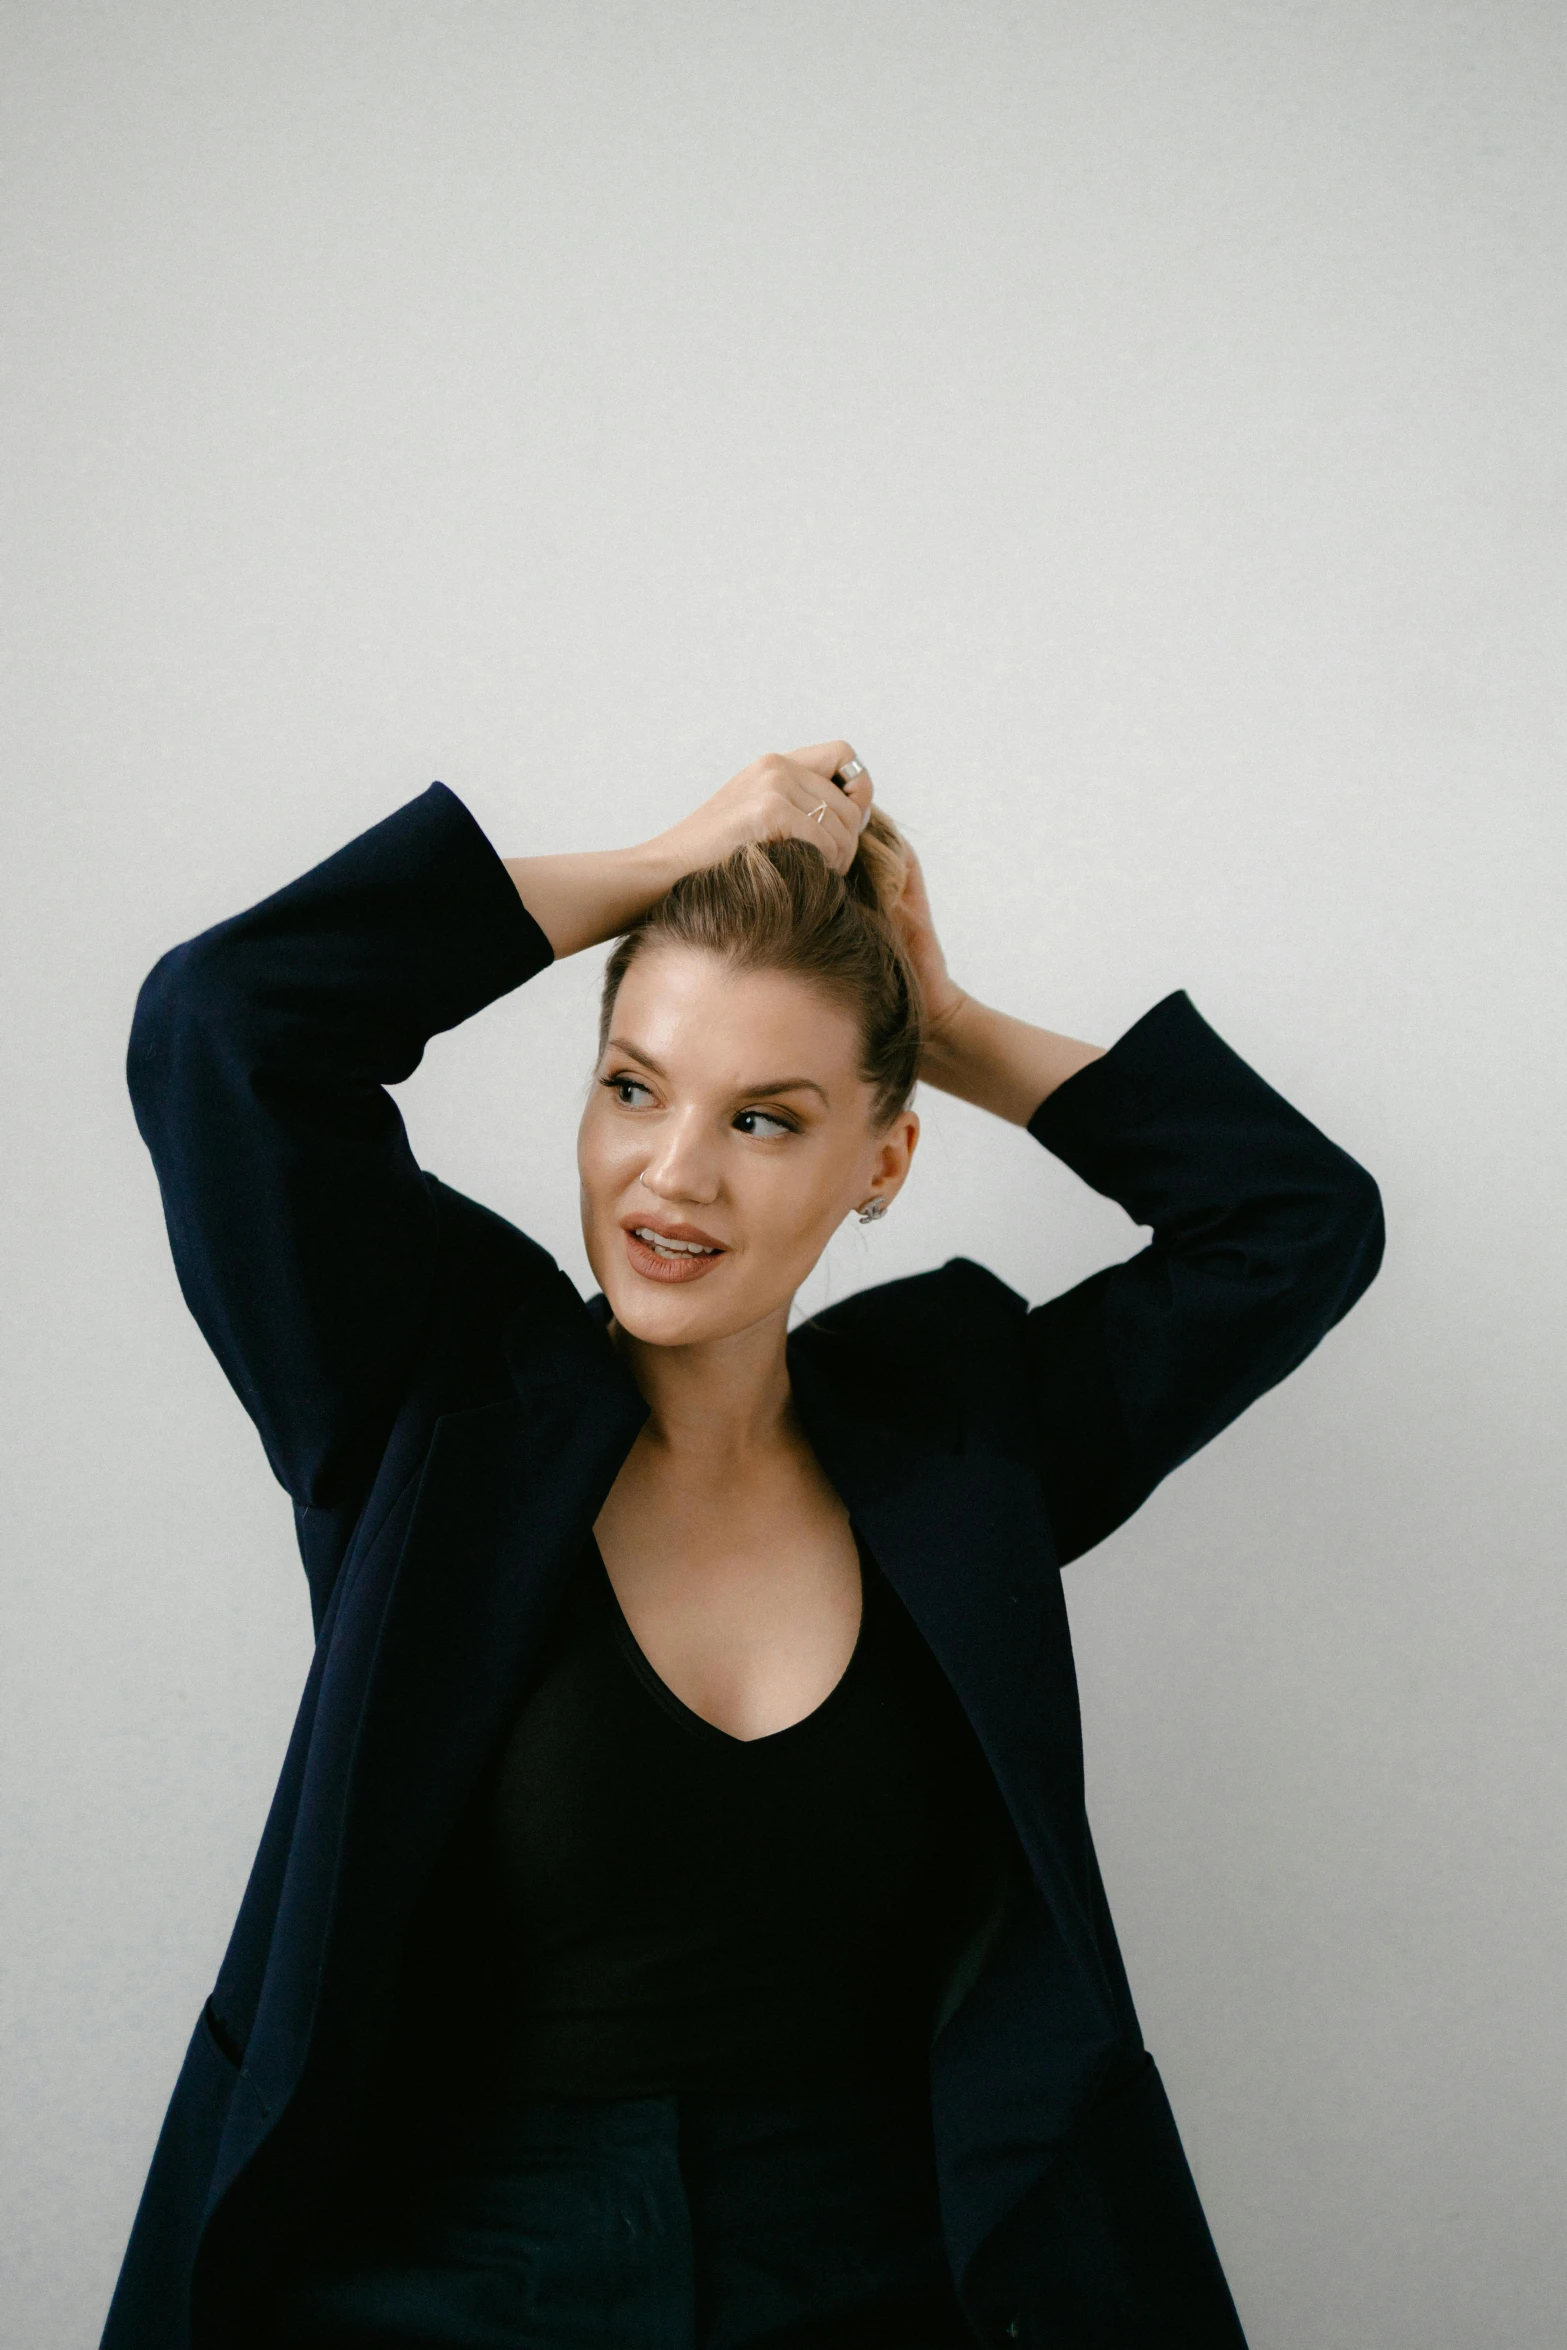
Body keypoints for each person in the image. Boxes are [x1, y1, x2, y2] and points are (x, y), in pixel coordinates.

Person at [104, 743, 1383, 2350]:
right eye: (632, 1085)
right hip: (447, 2277)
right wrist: (663, 860)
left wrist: (946, 1020)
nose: (672, 1172)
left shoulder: (961, 1444)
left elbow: (1295, 1221)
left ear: (882, 1165)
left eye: (767, 1120)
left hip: (890, 2273)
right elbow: (220, 1026)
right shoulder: (425, 1404)